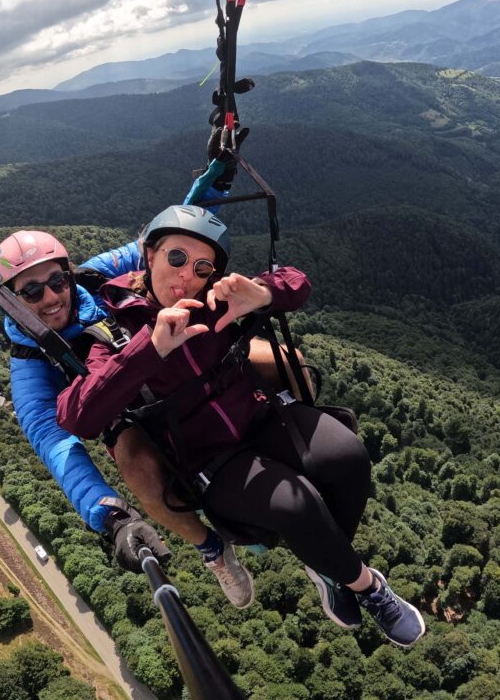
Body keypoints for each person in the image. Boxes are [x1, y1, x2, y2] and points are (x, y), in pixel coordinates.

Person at [56, 205, 426, 647]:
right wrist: (149, 349)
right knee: (297, 505)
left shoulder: (215, 299)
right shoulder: (114, 326)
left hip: (262, 417)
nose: (187, 275)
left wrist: (263, 293)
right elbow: (78, 416)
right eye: (176, 257)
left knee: (348, 456)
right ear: (149, 255)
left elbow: (297, 282)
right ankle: (368, 587)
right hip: (211, 459)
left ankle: (329, 566)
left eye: (202, 267)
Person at [0, 226, 256, 608]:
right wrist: (112, 516)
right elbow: (55, 445)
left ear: (69, 275)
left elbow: (155, 246)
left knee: (277, 359)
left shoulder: (91, 279)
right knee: (136, 466)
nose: (50, 297)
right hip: (123, 411)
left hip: (164, 361)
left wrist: (202, 198)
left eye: (57, 281)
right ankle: (212, 549)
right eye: (31, 291)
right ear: (11, 301)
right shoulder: (30, 365)